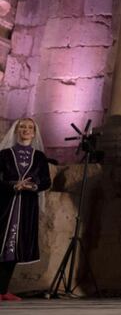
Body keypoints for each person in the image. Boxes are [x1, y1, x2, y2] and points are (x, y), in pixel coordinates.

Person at [0, 118, 51, 302]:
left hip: (27, 207)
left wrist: (34, 186)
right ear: (16, 131)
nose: (26, 130)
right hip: (6, 205)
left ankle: (3, 290)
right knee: (2, 244)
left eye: (30, 127)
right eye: (22, 127)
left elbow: (46, 181)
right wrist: (13, 185)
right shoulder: (5, 154)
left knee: (13, 249)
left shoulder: (39, 157)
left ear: (35, 132)